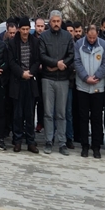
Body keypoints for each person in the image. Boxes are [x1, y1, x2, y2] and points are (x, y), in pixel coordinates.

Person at [38, 9, 75, 155]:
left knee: (61, 113)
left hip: (63, 79)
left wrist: (61, 64)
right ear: (49, 21)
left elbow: (71, 55)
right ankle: (48, 141)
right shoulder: (44, 36)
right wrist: (55, 64)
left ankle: (62, 142)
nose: (55, 24)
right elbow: (41, 55)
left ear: (61, 22)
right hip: (48, 79)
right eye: (53, 21)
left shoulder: (67, 36)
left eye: (58, 21)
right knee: (48, 112)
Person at [74, 24, 105, 159]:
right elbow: (77, 62)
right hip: (82, 87)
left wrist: (96, 77)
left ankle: (96, 147)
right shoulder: (78, 44)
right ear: (86, 34)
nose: (91, 40)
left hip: (98, 87)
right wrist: (85, 77)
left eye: (94, 37)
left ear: (97, 35)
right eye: (89, 37)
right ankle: (84, 146)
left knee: (96, 118)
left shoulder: (103, 45)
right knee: (83, 118)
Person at [6, 17, 41, 153]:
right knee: (18, 113)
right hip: (17, 81)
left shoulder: (35, 42)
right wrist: (21, 73)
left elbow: (37, 60)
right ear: (19, 29)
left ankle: (31, 141)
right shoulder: (13, 43)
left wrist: (30, 72)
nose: (25, 32)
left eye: (27, 29)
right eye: (23, 29)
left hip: (30, 81)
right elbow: (11, 62)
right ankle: (18, 140)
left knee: (30, 113)